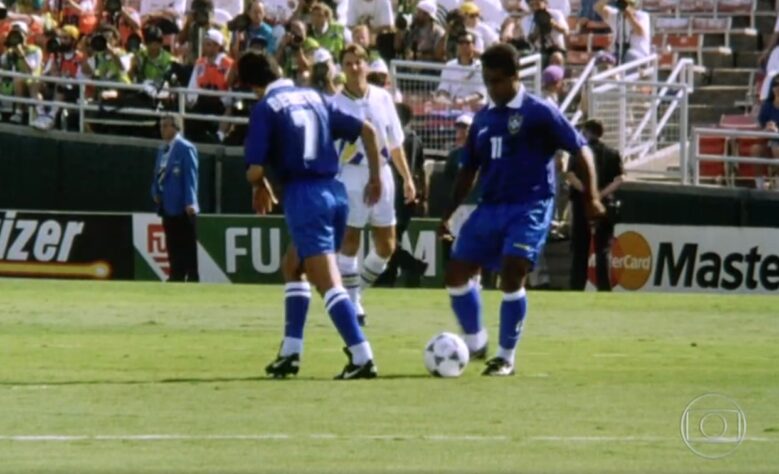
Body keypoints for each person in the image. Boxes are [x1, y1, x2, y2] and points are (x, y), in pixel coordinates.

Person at [438, 44, 604, 376]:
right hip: (491, 206)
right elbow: (468, 171)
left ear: (515, 77)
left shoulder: (539, 111)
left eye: (497, 81)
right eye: (486, 82)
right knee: (456, 274)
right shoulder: (483, 118)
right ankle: (476, 342)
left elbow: (580, 150)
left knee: (512, 271)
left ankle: (505, 357)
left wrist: (592, 197)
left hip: (530, 204)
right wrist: (448, 213)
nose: (492, 88)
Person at [239, 50, 384, 379]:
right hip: (335, 192)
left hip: (305, 195)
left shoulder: (265, 107)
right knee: (293, 266)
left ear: (253, 85)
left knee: (329, 283)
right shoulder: (315, 96)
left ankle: (362, 355)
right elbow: (369, 132)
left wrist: (260, 185)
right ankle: (290, 351)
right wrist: (376, 177)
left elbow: (253, 170)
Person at [334, 44, 416, 326]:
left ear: (367, 66)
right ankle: (353, 304)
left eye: (359, 62)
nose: (355, 68)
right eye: (349, 63)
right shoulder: (336, 103)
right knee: (350, 240)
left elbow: (395, 143)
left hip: (383, 171)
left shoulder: (382, 98)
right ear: (342, 69)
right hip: (351, 174)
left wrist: (407, 177)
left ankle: (354, 294)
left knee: (386, 246)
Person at [567, 119, 623, 291]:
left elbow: (570, 175)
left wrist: (587, 191)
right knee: (603, 250)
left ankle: (577, 287)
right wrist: (600, 194)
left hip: (582, 204)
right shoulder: (613, 153)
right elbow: (620, 179)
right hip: (604, 205)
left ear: (585, 131)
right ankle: (604, 288)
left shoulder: (578, 152)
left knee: (580, 250)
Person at [151, 115, 200, 282]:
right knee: (172, 243)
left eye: (165, 126)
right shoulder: (162, 149)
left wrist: (190, 202)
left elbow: (190, 177)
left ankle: (192, 277)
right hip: (167, 204)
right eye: (161, 126)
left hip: (182, 205)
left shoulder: (185, 148)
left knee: (187, 243)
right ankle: (176, 275)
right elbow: (158, 173)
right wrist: (155, 191)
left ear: (175, 127)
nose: (162, 129)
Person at [435, 32, 486, 108]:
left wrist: (463, 101)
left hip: (475, 108)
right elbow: (443, 89)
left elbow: (480, 94)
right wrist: (446, 101)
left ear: (474, 46)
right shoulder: (449, 65)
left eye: (467, 43)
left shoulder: (481, 67)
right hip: (453, 107)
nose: (464, 45)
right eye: (461, 42)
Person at [595, 0, 650, 64]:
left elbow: (640, 32)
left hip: (639, 55)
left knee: (630, 54)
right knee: (601, 56)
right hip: (619, 54)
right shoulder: (616, 15)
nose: (626, 7)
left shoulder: (642, 16)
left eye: (629, 5)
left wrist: (629, 16)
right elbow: (597, 7)